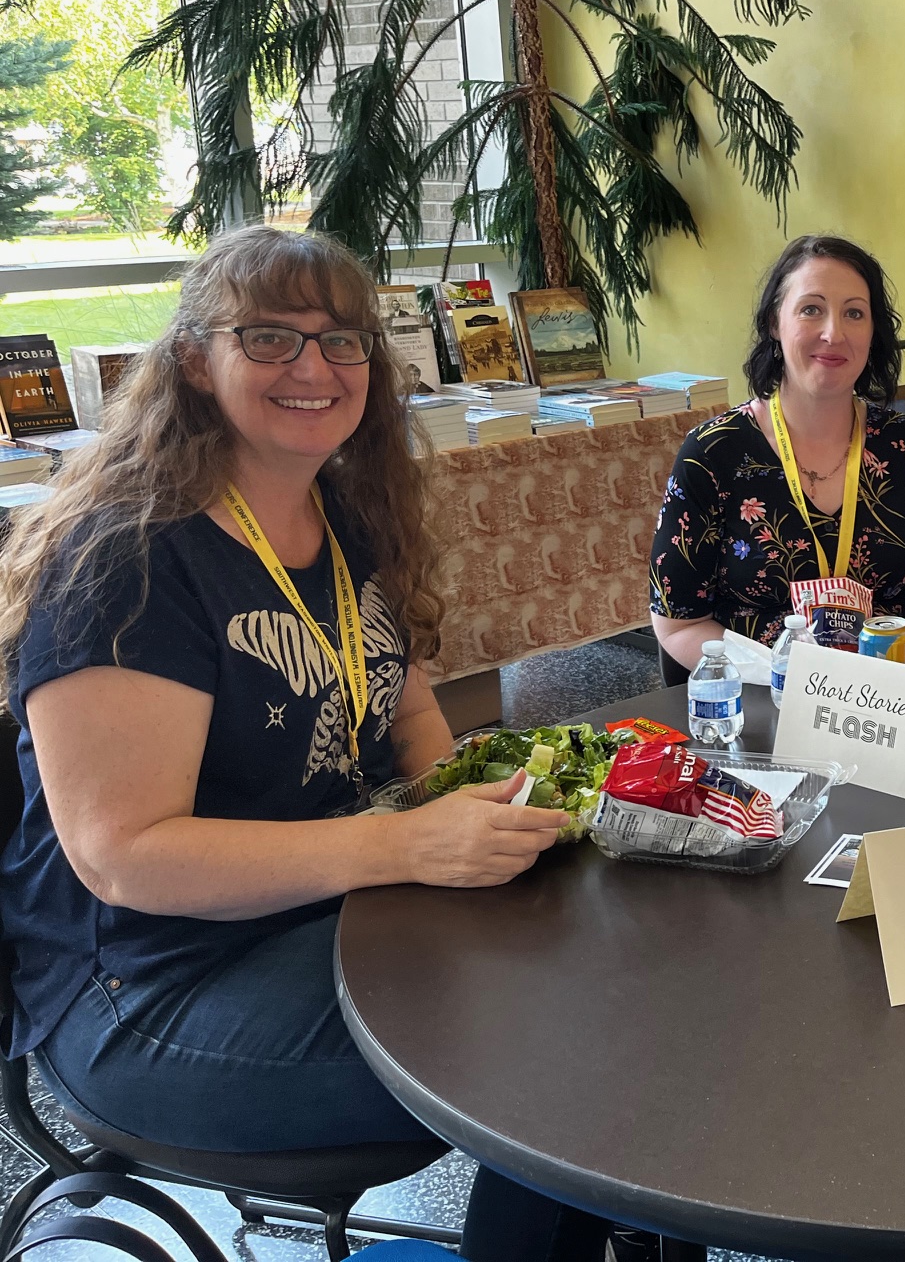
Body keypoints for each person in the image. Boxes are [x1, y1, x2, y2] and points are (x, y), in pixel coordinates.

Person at [0, 228, 604, 1262]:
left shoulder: (340, 516)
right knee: (554, 1062)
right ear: (196, 358)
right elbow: (122, 854)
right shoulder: (126, 562)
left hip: (326, 912)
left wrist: (489, 799)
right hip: (151, 989)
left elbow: (407, 712)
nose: (316, 369)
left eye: (344, 341)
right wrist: (405, 848)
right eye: (271, 337)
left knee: (595, 971)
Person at [651, 234, 905, 671]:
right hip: (753, 703)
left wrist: (874, 682)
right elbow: (679, 623)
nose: (833, 333)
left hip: (879, 703)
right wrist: (792, 686)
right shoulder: (713, 452)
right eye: (810, 309)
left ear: (874, 333)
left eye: (854, 313)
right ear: (774, 324)